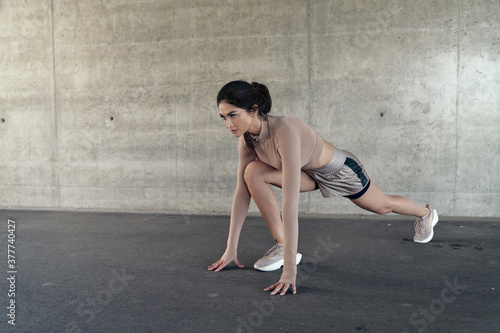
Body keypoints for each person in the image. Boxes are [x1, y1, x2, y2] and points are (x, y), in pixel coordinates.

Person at [208, 80, 439, 296]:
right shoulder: (247, 140)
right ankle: (281, 244)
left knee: (382, 206)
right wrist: (230, 248)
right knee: (252, 173)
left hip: (339, 171)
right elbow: (242, 192)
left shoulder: (285, 130)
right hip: (307, 173)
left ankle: (425, 213)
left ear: (254, 110)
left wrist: (289, 271)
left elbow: (289, 205)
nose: (228, 124)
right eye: (223, 117)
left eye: (233, 115)